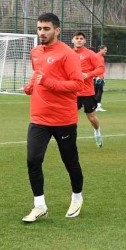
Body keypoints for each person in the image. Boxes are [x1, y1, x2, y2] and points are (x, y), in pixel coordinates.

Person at [22, 12, 85, 223]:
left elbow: (78, 84)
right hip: (39, 118)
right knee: (33, 160)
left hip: (63, 119)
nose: (42, 32)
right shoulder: (35, 52)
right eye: (39, 28)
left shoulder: (67, 54)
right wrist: (31, 86)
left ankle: (77, 198)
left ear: (57, 30)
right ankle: (39, 205)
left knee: (70, 161)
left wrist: (48, 83)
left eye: (46, 29)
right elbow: (38, 73)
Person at [72, 31, 105, 148]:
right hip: (72, 92)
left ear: (85, 41)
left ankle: (97, 131)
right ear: (73, 40)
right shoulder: (68, 53)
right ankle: (69, 138)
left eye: (81, 38)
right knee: (70, 116)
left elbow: (101, 68)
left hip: (87, 92)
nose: (79, 40)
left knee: (91, 117)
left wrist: (88, 74)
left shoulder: (90, 54)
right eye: (77, 38)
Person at [94, 45, 107, 112]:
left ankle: (95, 105)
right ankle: (97, 106)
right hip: (98, 77)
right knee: (100, 91)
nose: (106, 51)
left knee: (96, 91)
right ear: (101, 49)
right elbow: (97, 67)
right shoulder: (98, 56)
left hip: (98, 76)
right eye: (105, 50)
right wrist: (98, 76)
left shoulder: (101, 56)